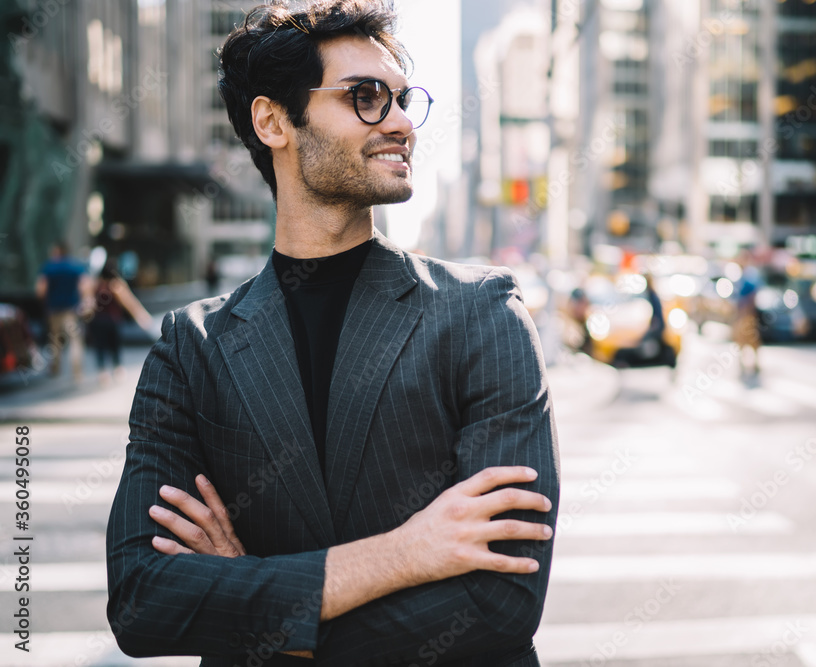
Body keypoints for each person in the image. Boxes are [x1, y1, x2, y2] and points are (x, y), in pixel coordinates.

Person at [105, 3, 559, 666]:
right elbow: (142, 601)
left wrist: (260, 621)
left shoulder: (483, 312)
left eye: (403, 100)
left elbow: (502, 602)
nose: (402, 123)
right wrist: (403, 554)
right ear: (272, 121)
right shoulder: (191, 347)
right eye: (366, 98)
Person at [89, 259, 153, 385]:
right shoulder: (116, 285)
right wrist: (142, 316)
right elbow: (128, 302)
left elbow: (89, 303)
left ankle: (102, 373)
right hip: (113, 321)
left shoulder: (96, 284)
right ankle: (117, 369)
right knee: (115, 346)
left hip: (98, 321)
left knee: (100, 347)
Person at [35, 241, 89, 382]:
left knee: (55, 340)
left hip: (54, 310)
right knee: (75, 341)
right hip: (71, 310)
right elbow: (84, 286)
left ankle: (55, 368)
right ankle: (77, 373)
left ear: (57, 251)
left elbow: (41, 290)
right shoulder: (75, 266)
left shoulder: (49, 267)